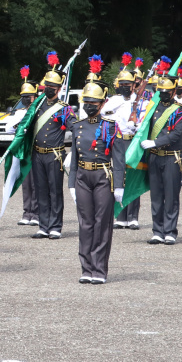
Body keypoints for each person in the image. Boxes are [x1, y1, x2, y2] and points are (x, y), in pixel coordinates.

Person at [68, 66, 120, 285]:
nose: (89, 105)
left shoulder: (110, 127)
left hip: (103, 177)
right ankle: (86, 267)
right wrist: (71, 183)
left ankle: (99, 269)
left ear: (102, 103)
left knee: (101, 223)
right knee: (85, 224)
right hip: (82, 176)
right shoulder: (78, 126)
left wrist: (119, 185)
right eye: (86, 101)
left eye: (93, 102)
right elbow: (74, 157)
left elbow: (118, 158)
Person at [29, 51, 76, 240]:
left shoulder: (64, 108)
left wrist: (74, 151)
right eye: (46, 86)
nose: (48, 89)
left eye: (52, 87)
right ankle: (43, 225)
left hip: (55, 154)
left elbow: (75, 128)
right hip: (37, 154)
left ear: (58, 88)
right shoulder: (37, 106)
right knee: (40, 189)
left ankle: (55, 226)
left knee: (55, 190)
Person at [141, 69, 182, 245]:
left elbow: (177, 134)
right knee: (156, 196)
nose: (163, 94)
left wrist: (155, 142)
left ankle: (170, 231)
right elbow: (145, 127)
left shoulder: (180, 110)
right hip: (154, 157)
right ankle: (157, 230)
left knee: (171, 196)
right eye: (160, 91)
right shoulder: (152, 108)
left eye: (166, 92)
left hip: (171, 157)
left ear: (174, 92)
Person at [106, 53, 141, 230]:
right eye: (122, 84)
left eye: (128, 84)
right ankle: (120, 216)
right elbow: (103, 115)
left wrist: (137, 125)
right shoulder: (113, 100)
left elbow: (145, 119)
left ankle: (133, 217)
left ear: (134, 85)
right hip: (118, 141)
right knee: (118, 177)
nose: (125, 87)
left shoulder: (140, 100)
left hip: (133, 141)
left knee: (133, 177)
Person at [13, 67, 40, 227]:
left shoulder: (38, 111)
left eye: (28, 96)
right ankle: (27, 212)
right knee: (25, 182)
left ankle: (36, 213)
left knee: (35, 183)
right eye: (23, 96)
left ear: (35, 97)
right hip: (24, 152)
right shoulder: (20, 112)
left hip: (35, 151)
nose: (25, 99)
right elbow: (12, 128)